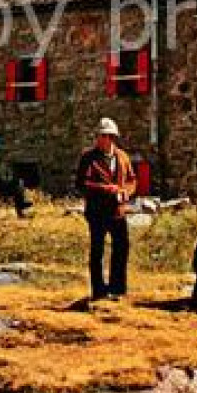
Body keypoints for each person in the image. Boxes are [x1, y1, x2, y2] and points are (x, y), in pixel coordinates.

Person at [75, 118, 135, 302]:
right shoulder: (88, 158)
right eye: (99, 135)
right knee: (97, 251)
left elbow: (132, 179)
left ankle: (117, 288)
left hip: (117, 211)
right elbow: (81, 184)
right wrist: (104, 189)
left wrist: (127, 192)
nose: (100, 139)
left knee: (121, 248)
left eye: (104, 136)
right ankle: (99, 291)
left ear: (111, 137)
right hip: (97, 212)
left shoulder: (123, 157)